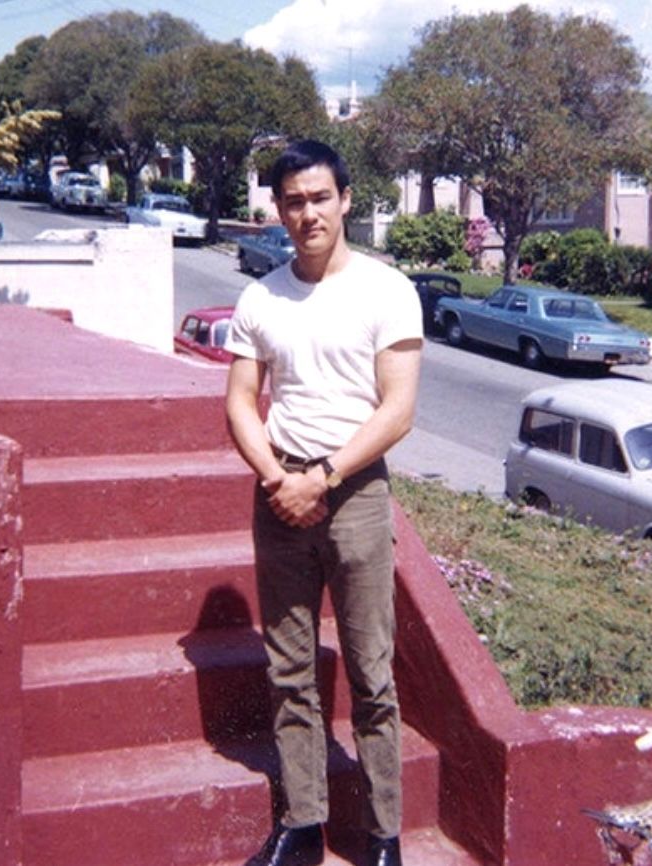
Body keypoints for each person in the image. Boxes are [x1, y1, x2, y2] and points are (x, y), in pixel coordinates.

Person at [223, 140, 422, 866]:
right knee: (288, 667)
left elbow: (396, 410)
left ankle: (380, 836)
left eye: (318, 198)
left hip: (356, 493)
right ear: (277, 210)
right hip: (279, 494)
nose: (306, 213)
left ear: (344, 199)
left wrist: (324, 476)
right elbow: (241, 402)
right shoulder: (260, 295)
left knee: (372, 672)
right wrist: (279, 478)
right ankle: (301, 824)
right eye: (292, 201)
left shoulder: (386, 289)